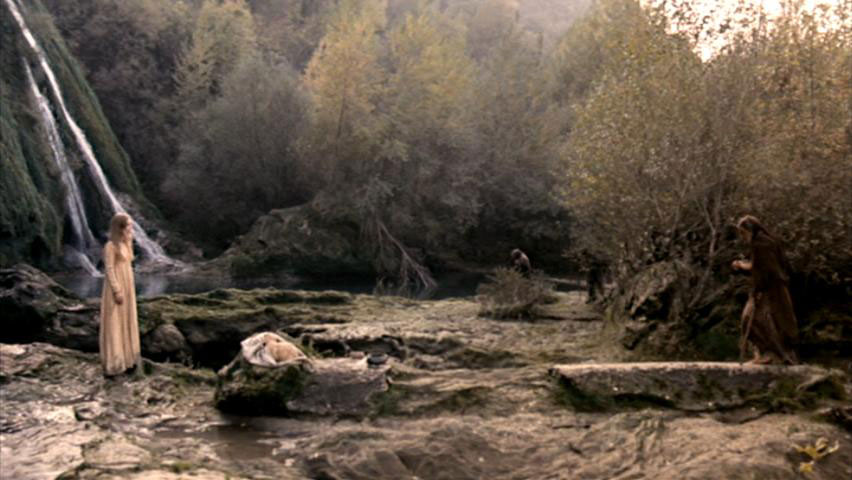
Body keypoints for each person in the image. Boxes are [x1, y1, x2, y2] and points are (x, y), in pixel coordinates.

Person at [731, 215, 798, 365]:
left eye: (743, 233)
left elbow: (768, 270)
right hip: (774, 287)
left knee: (758, 320)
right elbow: (760, 265)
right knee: (765, 321)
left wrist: (759, 289)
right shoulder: (767, 242)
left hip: (770, 289)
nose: (742, 237)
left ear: (750, 230)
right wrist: (743, 265)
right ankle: (771, 354)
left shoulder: (761, 244)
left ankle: (772, 355)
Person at [99, 213, 141, 377]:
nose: (131, 227)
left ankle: (128, 358)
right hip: (117, 285)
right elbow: (109, 269)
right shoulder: (111, 246)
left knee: (126, 318)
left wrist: (129, 239)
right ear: (120, 227)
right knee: (115, 320)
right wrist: (116, 290)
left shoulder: (126, 244)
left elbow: (127, 263)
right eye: (129, 225)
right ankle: (114, 363)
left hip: (127, 283)